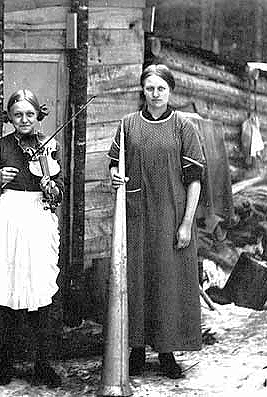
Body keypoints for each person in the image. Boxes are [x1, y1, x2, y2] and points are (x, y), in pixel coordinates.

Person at [108, 64, 205, 379]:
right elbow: (114, 165)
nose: (155, 94)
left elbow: (194, 180)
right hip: (135, 217)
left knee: (167, 283)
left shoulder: (183, 127)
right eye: (150, 88)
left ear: (170, 91)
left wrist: (187, 223)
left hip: (170, 217)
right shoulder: (128, 125)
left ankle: (167, 353)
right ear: (142, 90)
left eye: (161, 88)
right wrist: (114, 178)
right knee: (135, 281)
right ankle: (135, 350)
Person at [0, 89, 63, 387]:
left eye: (29, 114)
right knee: (9, 288)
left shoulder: (48, 147)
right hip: (10, 219)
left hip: (38, 218)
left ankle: (43, 364)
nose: (24, 120)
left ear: (38, 115)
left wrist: (50, 186)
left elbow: (58, 194)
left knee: (40, 288)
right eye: (18, 115)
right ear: (10, 118)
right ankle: (6, 362)